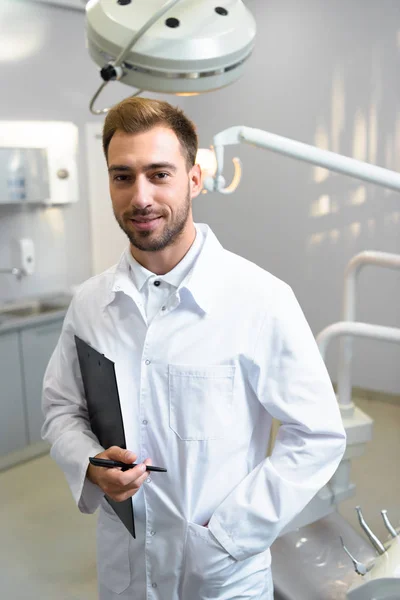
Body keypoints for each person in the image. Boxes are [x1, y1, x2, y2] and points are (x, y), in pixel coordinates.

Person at [42, 97, 346, 600]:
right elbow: (61, 409)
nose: (140, 196)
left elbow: (317, 435)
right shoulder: (91, 303)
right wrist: (90, 462)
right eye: (123, 176)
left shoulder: (260, 299)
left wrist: (227, 534)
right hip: (125, 569)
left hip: (220, 573)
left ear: (194, 179)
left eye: (159, 174)